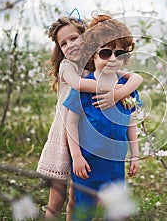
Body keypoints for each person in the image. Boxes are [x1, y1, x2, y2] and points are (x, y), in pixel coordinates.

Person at [37, 16, 143, 220]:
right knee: (56, 197)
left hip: (84, 134)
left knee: (76, 197)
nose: (70, 45)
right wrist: (117, 90)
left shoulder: (98, 64)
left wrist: (123, 92)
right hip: (63, 133)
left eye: (74, 38)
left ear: (85, 40)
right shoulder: (67, 66)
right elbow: (79, 85)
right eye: (63, 43)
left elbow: (136, 78)